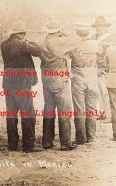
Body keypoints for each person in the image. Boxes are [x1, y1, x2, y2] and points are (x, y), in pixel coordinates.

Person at [0, 20, 42, 153]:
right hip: (22, 84)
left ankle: (12, 145)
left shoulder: (4, 44)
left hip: (8, 83)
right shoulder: (22, 44)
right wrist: (29, 42)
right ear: (23, 33)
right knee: (28, 114)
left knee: (11, 114)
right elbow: (38, 51)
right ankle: (28, 145)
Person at [38, 19, 79, 151]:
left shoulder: (42, 42)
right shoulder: (62, 41)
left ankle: (47, 141)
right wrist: (64, 34)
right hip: (60, 80)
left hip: (46, 80)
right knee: (64, 111)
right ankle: (66, 143)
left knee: (49, 110)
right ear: (59, 30)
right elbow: (78, 40)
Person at [67, 23, 101, 144]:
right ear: (88, 33)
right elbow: (100, 55)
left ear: (77, 33)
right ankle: (91, 137)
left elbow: (67, 57)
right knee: (91, 109)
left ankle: (81, 138)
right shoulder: (95, 44)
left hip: (78, 81)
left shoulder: (73, 45)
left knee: (79, 109)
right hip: (92, 80)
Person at [92, 16, 116, 123]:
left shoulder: (111, 38)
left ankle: (110, 116)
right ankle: (102, 113)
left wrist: (105, 67)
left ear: (106, 27)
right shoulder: (93, 37)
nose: (99, 28)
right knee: (98, 93)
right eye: (97, 26)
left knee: (106, 93)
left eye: (101, 26)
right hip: (95, 67)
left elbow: (111, 55)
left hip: (105, 69)